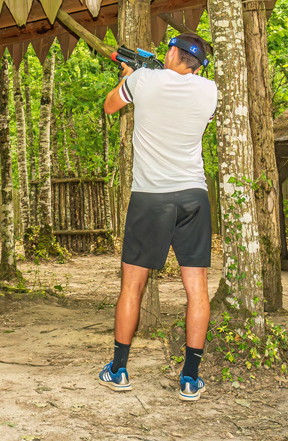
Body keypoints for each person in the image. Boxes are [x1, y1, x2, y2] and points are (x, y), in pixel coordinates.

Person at [98, 33, 217, 401]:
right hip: (194, 195)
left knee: (131, 286)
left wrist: (128, 75)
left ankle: (118, 370)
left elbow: (109, 107)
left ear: (173, 53)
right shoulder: (209, 89)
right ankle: (190, 378)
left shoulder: (142, 81)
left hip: (151, 197)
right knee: (196, 289)